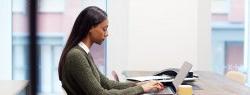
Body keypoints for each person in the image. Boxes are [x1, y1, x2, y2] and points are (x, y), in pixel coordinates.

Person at [58, 6, 164, 95]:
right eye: (104, 29)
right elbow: (100, 94)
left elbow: (108, 84)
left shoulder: (84, 53)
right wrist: (142, 89)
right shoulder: (76, 55)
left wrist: (139, 85)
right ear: (90, 28)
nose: (107, 33)